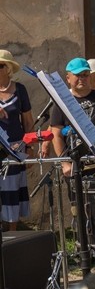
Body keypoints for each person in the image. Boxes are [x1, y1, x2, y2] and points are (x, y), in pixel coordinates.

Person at [50, 58, 95, 177]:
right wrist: (64, 163)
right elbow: (56, 135)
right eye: (78, 75)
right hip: (75, 165)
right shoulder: (62, 102)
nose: (82, 79)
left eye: (85, 75)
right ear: (68, 78)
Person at [0, 50, 34, 230]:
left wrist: (29, 148)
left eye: (0, 65)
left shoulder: (20, 90)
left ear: (8, 69)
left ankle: (11, 237)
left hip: (15, 149)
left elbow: (28, 122)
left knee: (11, 190)